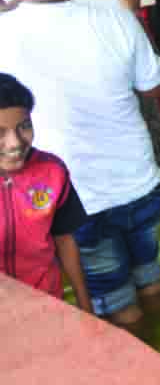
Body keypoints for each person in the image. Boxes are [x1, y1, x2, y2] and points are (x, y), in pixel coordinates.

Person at [0, 0, 160, 326]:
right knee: (150, 284)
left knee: (116, 304)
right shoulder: (114, 19)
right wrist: (127, 12)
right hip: (139, 183)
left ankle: (148, 381)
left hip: (77, 198)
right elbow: (153, 87)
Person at [0, 73, 93, 312]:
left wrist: (85, 307)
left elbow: (64, 239)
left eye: (24, 126)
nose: (15, 143)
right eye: (0, 132)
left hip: (47, 306)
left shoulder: (52, 172)